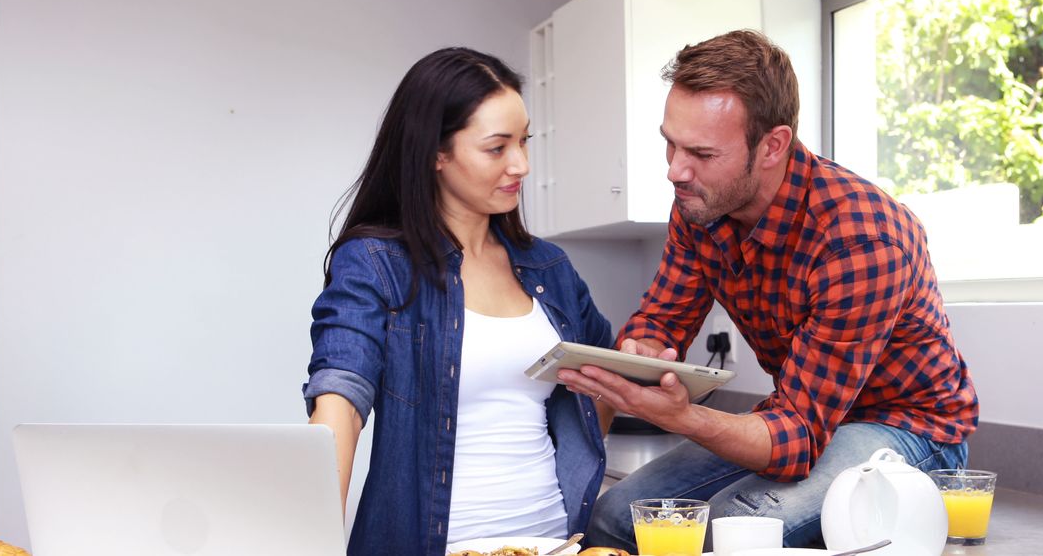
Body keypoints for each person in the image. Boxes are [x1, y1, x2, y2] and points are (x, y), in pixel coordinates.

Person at [561, 30, 979, 551]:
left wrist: (683, 416)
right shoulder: (702, 204)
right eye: (669, 142)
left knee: (724, 533)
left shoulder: (861, 239)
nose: (675, 170)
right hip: (802, 416)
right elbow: (662, 319)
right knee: (618, 518)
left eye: (701, 152)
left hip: (908, 430)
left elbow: (799, 436)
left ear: (773, 146)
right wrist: (641, 350)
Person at [302, 47, 613, 556]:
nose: (522, 164)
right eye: (497, 148)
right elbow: (340, 396)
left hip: (556, 543)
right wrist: (308, 537)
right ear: (436, 153)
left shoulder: (548, 268)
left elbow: (604, 376)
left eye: (525, 141)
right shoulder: (376, 263)